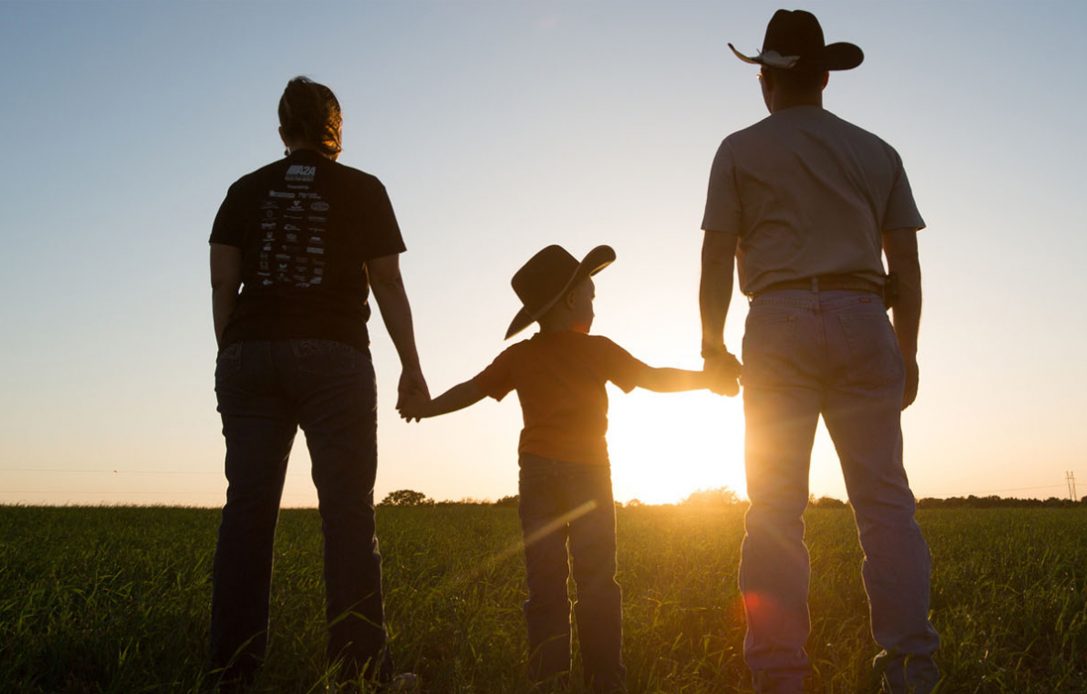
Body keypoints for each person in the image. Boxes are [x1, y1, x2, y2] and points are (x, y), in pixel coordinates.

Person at [699, 10, 940, 693]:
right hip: (866, 313)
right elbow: (909, 266)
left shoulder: (739, 149)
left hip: (777, 320)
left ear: (765, 79)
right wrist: (909, 351)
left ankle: (779, 679)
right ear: (827, 75)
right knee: (886, 504)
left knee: (775, 509)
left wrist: (711, 345)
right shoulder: (877, 151)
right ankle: (910, 669)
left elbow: (717, 253)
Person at [399, 244, 734, 692]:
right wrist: (707, 380)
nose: (595, 305)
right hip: (589, 474)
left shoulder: (520, 356)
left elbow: (470, 390)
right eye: (591, 296)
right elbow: (653, 377)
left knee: (545, 583)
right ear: (572, 300)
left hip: (537, 474)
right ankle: (605, 681)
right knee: (597, 579)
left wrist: (427, 408)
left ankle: (548, 680)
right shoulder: (597, 350)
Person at [208, 76, 428, 687]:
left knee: (247, 512)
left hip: (251, 352)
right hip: (335, 357)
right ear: (335, 128)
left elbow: (223, 282)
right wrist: (411, 365)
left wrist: (233, 350)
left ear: (283, 129)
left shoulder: (243, 190)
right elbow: (386, 282)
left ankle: (233, 671)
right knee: (348, 514)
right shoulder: (362, 189)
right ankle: (361, 671)